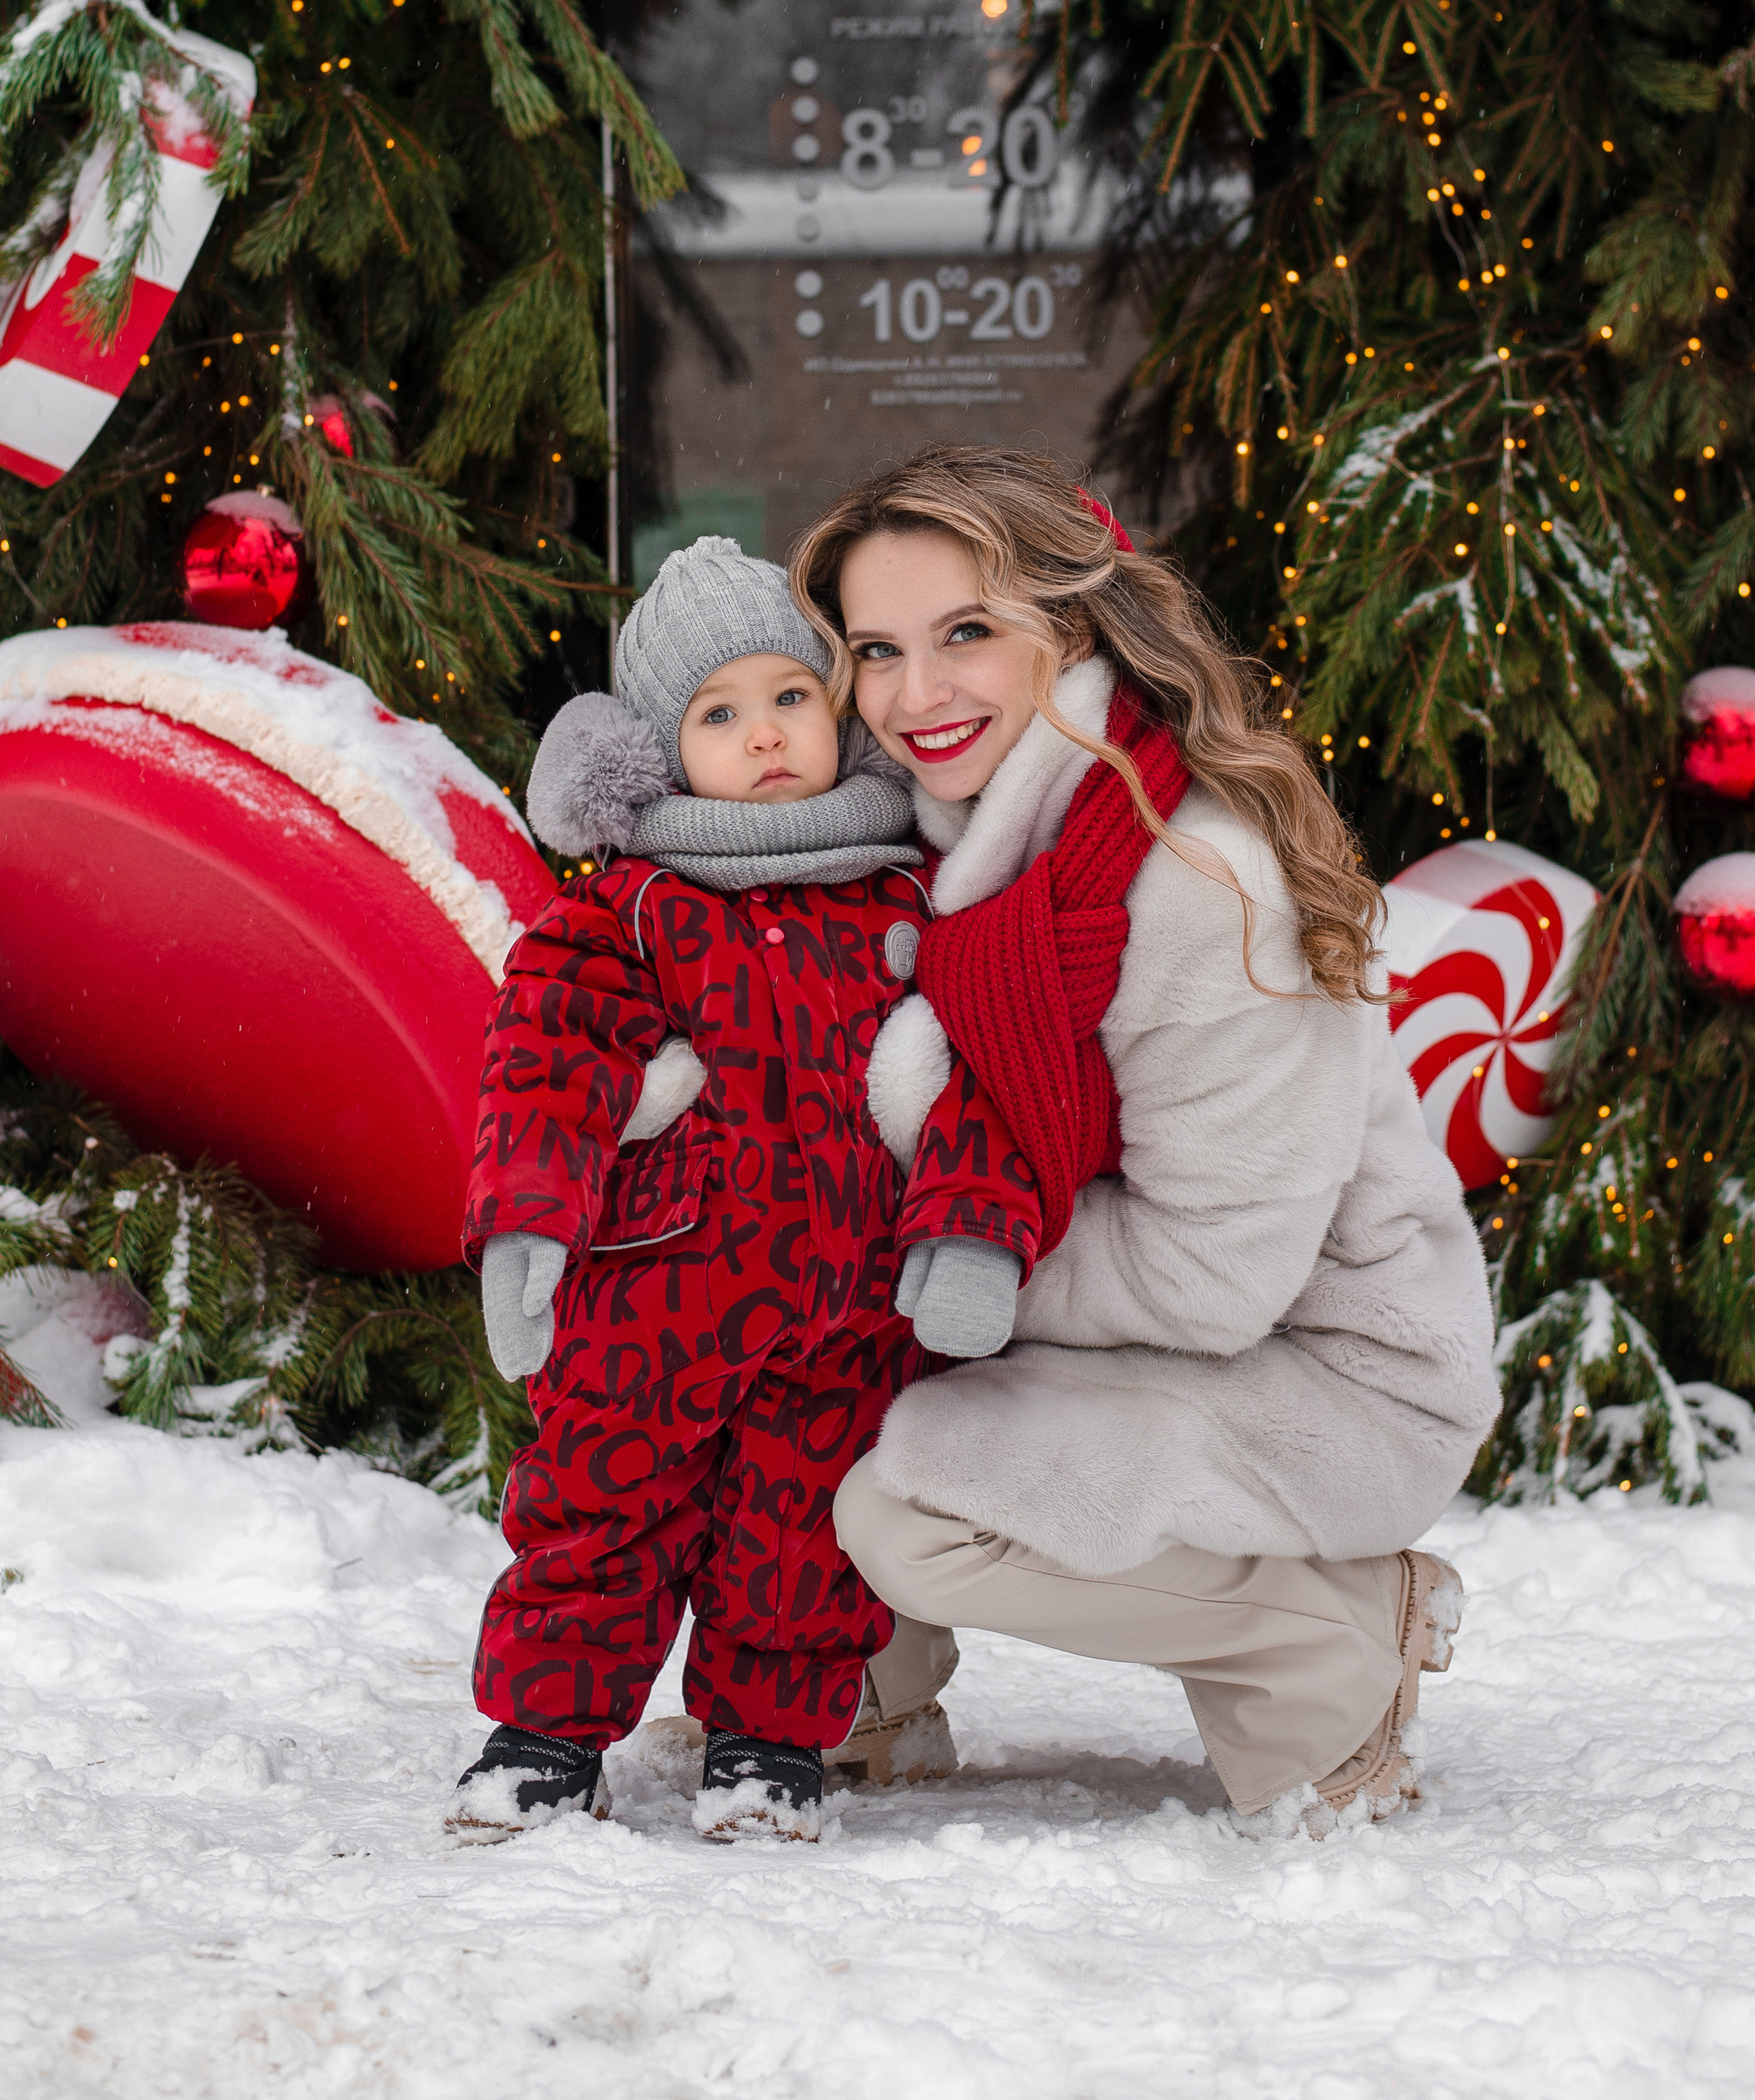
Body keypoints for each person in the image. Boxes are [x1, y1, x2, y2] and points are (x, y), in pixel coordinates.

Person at [792, 448, 1502, 1839]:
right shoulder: (946, 835)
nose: (914, 694)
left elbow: (1212, 1277)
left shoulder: (1195, 879)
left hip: (1329, 1373)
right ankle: (849, 1687)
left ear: (1072, 628)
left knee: (912, 1506)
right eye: (876, 649)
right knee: (784, 1350)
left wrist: (916, 1261)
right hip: (1152, 1324)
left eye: (966, 632)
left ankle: (1333, 1642)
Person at [453, 533, 967, 1843]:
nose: (765, 733)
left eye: (790, 695)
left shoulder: (903, 894)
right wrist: (527, 1224)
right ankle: (545, 1734)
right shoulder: (631, 908)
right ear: (661, 752)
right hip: (654, 1302)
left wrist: (967, 1235)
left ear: (837, 708)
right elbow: (547, 1057)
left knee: (801, 1535)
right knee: (600, 1509)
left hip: (845, 1311)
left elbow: (961, 1079)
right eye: (719, 713)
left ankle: (767, 1745)